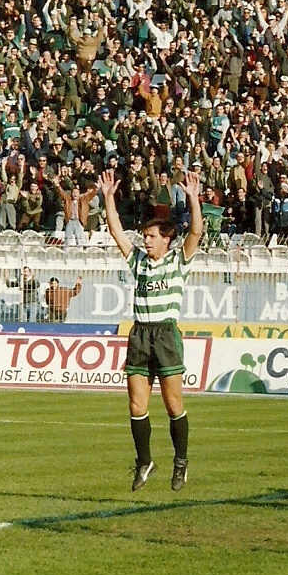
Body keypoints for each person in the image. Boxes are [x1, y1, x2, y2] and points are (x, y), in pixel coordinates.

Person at [98, 166, 203, 493]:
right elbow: (116, 231)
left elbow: (196, 232)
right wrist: (108, 198)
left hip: (165, 335)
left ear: (166, 239)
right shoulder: (139, 261)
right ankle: (144, 462)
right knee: (136, 405)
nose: (145, 240)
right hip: (140, 334)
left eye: (151, 236)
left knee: (173, 404)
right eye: (144, 236)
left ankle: (181, 461)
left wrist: (193, 198)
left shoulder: (178, 261)